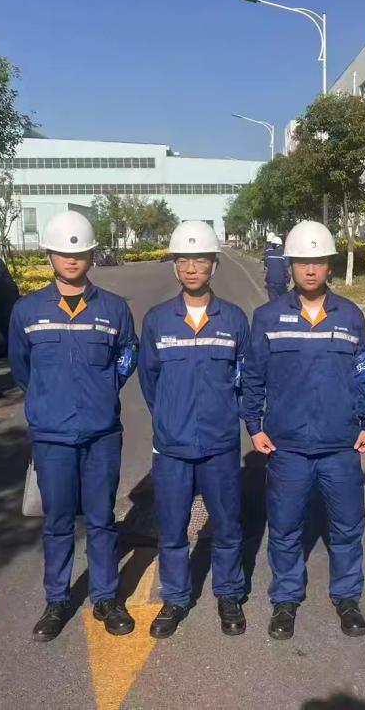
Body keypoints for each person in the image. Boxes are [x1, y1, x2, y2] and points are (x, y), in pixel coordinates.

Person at [243, 220, 365, 640]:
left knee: (347, 526)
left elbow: (363, 371)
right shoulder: (268, 317)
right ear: (290, 266)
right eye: (302, 261)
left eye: (317, 261)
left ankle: (347, 597)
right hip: (287, 447)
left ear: (328, 266)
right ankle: (286, 600)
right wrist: (254, 425)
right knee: (285, 528)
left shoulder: (350, 315)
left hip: (340, 444)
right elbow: (253, 376)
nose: (309, 269)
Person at [8, 210, 139, 642]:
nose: (71, 259)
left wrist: (105, 388)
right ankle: (57, 599)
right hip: (53, 436)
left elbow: (128, 354)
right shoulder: (27, 310)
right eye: (63, 252)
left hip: (102, 433)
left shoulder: (114, 308)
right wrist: (48, 399)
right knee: (58, 522)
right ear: (49, 255)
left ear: (91, 256)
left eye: (80, 252)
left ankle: (105, 597)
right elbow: (21, 367)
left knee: (102, 519)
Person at [137, 221, 249, 639]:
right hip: (172, 447)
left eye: (200, 259)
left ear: (214, 265)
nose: (191, 268)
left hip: (220, 445)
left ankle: (229, 594)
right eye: (183, 260)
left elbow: (245, 378)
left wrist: (226, 415)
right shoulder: (157, 320)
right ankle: (176, 598)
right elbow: (149, 380)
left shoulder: (233, 320)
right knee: (172, 529)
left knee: (227, 526)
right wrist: (169, 416)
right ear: (174, 265)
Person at [263, 233, 290, 301]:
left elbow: (266, 265)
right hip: (281, 282)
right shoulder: (284, 254)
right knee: (283, 301)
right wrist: (288, 280)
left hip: (271, 282)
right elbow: (286, 267)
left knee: (273, 302)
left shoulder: (269, 254)